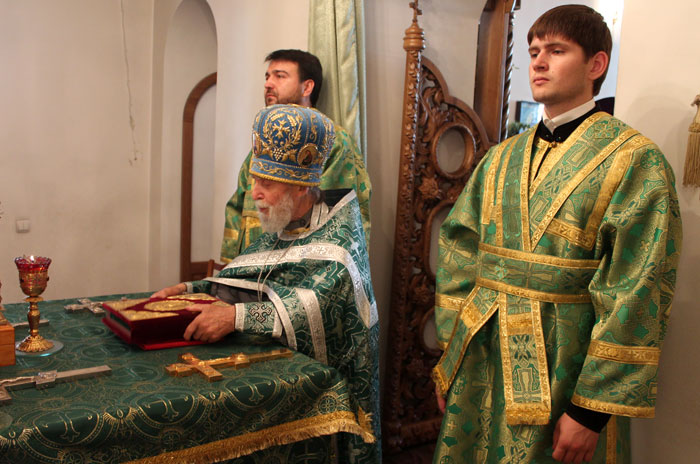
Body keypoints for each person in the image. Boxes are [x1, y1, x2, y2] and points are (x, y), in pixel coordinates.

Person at [432, 5, 682, 463]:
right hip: (480, 354)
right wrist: (454, 350)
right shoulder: (501, 157)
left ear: (596, 64)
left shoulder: (634, 161)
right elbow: (459, 252)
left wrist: (590, 411)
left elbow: (637, 288)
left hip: (564, 367)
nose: (539, 63)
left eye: (556, 50)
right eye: (533, 52)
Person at [156, 104, 381, 463]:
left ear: (303, 185)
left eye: (267, 183)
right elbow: (251, 277)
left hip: (328, 404)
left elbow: (314, 307)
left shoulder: (340, 242)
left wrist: (235, 318)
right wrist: (192, 290)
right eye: (255, 179)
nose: (254, 192)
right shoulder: (286, 223)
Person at [220, 49, 371, 263]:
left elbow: (339, 218)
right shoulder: (264, 139)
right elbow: (238, 206)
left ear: (307, 87)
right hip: (248, 266)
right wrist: (229, 267)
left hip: (297, 269)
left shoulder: (333, 142)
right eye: (267, 76)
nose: (268, 84)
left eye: (280, 76)